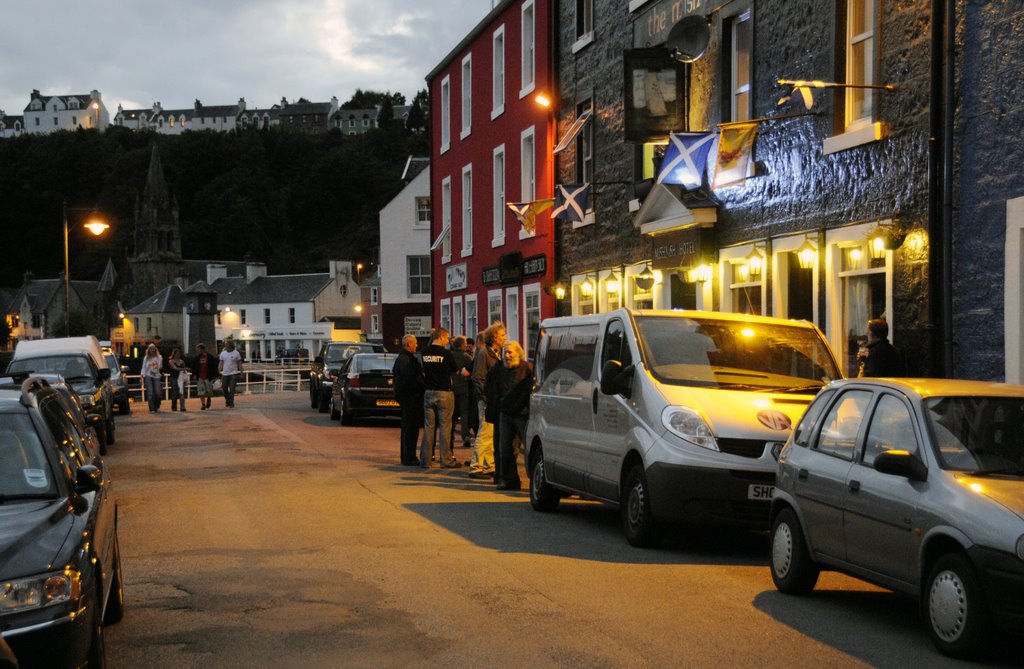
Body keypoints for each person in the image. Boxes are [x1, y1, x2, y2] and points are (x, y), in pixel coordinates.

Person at [419, 328, 470, 469]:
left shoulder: (424, 352)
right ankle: (446, 459)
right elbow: (457, 371)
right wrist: (468, 372)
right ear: (441, 337)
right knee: (445, 428)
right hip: (444, 393)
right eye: (447, 338)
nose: (448, 341)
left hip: (429, 392)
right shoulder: (446, 354)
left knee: (429, 428)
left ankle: (425, 460)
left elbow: (423, 370)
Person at [494, 340, 533, 490]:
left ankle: (534, 479)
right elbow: (495, 387)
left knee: (529, 448)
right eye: (505, 352)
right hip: (506, 414)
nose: (507, 355)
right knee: (505, 448)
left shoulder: (527, 369)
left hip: (523, 414)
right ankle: (510, 480)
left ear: (518, 353)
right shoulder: (501, 370)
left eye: (510, 352)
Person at [469, 323, 505, 480]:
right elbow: (477, 378)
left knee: (490, 433)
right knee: (484, 433)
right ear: (495, 337)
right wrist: (485, 398)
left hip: (493, 402)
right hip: (487, 402)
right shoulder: (484, 354)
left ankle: (489, 465)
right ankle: (476, 466)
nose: (505, 338)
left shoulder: (496, 354)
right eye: (502, 335)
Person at [393, 334, 425, 466]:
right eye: (415, 343)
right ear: (409, 344)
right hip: (410, 398)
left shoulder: (404, 358)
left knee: (409, 428)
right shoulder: (406, 360)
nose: (417, 345)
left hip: (407, 397)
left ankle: (407, 456)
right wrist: (420, 387)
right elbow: (410, 379)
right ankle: (409, 457)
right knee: (410, 429)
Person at [449, 335, 473, 449]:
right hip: (464, 388)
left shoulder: (450, 356)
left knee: (452, 415)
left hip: (452, 388)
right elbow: (471, 372)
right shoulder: (467, 357)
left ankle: (450, 436)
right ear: (462, 345)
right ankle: (466, 436)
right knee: (464, 413)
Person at [189, 342, 219, 410]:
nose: (198, 351)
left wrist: (216, 375)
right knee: (201, 391)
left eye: (199, 349)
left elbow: (214, 366)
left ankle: (208, 398)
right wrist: (194, 374)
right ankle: (203, 404)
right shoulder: (197, 358)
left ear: (202, 349)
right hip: (200, 376)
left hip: (208, 376)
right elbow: (194, 367)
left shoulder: (210, 357)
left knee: (209, 390)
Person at [218, 338, 244, 408]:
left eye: (227, 345)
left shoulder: (236, 353)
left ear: (230, 345)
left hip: (233, 373)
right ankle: (227, 400)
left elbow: (239, 364)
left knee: (232, 388)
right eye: (225, 345)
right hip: (225, 373)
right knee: (224, 388)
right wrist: (219, 370)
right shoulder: (223, 353)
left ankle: (231, 402)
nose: (225, 346)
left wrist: (241, 373)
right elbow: (221, 362)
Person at [142, 343, 164, 413]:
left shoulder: (159, 357)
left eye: (153, 349)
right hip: (148, 375)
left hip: (156, 375)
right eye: (150, 349)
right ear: (148, 350)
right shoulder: (146, 358)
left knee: (158, 392)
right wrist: (142, 376)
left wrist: (160, 359)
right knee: (150, 393)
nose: (152, 350)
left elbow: (160, 367)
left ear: (155, 349)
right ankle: (152, 408)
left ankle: (157, 405)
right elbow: (144, 367)